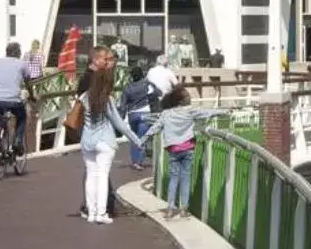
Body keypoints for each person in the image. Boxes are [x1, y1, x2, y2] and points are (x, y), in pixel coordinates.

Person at [77, 54, 142, 225]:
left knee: (91, 176)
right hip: (104, 140)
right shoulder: (107, 99)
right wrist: (136, 140)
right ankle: (101, 213)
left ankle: (91, 213)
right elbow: (120, 124)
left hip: (87, 141)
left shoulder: (84, 97)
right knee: (102, 176)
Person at [145, 84, 224, 219]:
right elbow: (206, 113)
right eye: (187, 96)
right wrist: (223, 111)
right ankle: (183, 209)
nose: (190, 97)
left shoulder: (166, 113)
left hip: (173, 150)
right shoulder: (189, 111)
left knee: (173, 179)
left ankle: (170, 209)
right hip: (187, 148)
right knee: (185, 178)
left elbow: (156, 127)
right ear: (181, 101)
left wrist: (143, 138)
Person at [0, 41, 39, 158]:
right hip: (13, 101)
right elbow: (28, 83)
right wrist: (32, 96)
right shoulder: (22, 64)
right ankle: (17, 141)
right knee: (21, 118)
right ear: (18, 53)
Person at [122, 64, 156, 171]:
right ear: (142, 75)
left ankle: (134, 161)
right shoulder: (147, 85)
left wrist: (122, 116)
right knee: (142, 138)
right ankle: (139, 162)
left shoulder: (127, 87)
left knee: (134, 137)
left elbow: (123, 104)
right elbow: (157, 93)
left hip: (132, 114)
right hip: (145, 113)